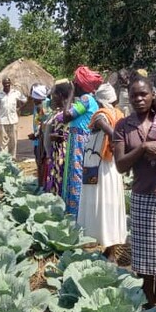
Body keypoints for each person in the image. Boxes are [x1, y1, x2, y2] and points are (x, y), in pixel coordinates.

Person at [113, 76, 156, 307]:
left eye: (144, 94)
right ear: (129, 98)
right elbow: (121, 165)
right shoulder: (123, 126)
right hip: (142, 193)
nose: (139, 99)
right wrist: (143, 147)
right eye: (134, 95)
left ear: (153, 94)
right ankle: (148, 300)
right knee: (144, 255)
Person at [77, 83, 127, 261]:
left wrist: (118, 140)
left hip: (99, 166)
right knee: (111, 203)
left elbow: (110, 132)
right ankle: (110, 248)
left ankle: (109, 250)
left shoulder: (101, 115)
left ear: (100, 101)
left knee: (100, 203)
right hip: (111, 164)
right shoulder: (119, 114)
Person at [60, 66, 101, 218]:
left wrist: (70, 94)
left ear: (79, 84)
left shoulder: (85, 99)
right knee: (81, 176)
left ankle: (76, 214)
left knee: (77, 176)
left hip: (80, 143)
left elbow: (66, 116)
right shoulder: (89, 99)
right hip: (82, 141)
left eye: (74, 83)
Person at [43, 81, 73, 196]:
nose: (53, 98)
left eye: (54, 95)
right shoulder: (58, 112)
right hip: (56, 151)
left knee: (61, 178)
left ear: (60, 95)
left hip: (63, 152)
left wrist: (60, 137)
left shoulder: (69, 111)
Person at [0, 77, 26, 158]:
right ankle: (5, 159)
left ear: (10, 84)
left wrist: (19, 108)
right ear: (3, 84)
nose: (7, 85)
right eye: (5, 84)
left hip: (13, 120)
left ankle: (12, 158)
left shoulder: (16, 93)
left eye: (8, 83)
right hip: (3, 121)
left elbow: (24, 100)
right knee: (3, 142)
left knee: (13, 141)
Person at [28, 84, 51, 187]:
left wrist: (36, 135)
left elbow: (43, 125)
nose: (33, 101)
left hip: (42, 139)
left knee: (41, 162)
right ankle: (41, 184)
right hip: (39, 138)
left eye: (34, 99)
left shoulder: (44, 107)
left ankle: (42, 185)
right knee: (40, 161)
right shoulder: (41, 105)